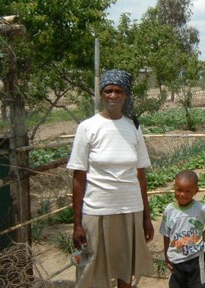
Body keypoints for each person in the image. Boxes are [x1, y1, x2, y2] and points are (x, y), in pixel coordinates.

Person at [67, 69, 154, 288]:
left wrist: (146, 216)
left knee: (126, 269)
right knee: (91, 270)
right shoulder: (87, 127)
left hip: (130, 208)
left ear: (126, 95)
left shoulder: (133, 127)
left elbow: (141, 174)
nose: (112, 96)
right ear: (101, 94)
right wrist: (77, 223)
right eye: (108, 91)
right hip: (97, 210)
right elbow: (79, 176)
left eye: (118, 91)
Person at [159, 170, 205, 288]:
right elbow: (166, 234)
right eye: (179, 190)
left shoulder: (200, 209)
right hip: (176, 258)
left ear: (196, 191)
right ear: (174, 187)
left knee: (198, 285)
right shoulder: (169, 210)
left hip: (195, 258)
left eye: (188, 191)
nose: (182, 194)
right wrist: (166, 255)